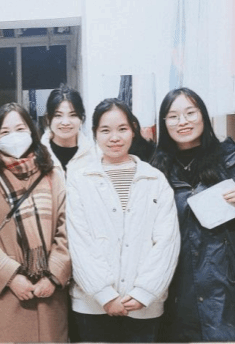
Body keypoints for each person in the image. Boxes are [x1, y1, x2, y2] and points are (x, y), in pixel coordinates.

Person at [151, 87, 235, 342]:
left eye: (190, 113)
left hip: (234, 287)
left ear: (203, 115)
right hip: (181, 289)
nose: (183, 121)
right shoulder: (156, 170)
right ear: (164, 123)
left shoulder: (231, 157)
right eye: (174, 116)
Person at [66, 98, 180, 343]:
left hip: (144, 305)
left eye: (122, 129)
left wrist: (144, 292)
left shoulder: (155, 179)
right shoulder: (79, 180)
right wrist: (104, 294)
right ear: (94, 133)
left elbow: (167, 241)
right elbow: (79, 242)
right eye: (105, 130)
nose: (114, 137)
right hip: (92, 305)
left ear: (133, 131)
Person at [0, 103, 71, 343]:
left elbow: (67, 230)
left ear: (32, 132)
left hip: (47, 296)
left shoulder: (52, 174)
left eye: (20, 129)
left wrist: (53, 275)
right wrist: (11, 277)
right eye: (5, 132)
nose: (13, 136)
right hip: (2, 298)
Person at [41, 85, 96, 176]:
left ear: (82, 118)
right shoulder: (38, 156)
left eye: (73, 115)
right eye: (58, 115)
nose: (65, 122)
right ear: (48, 119)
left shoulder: (93, 155)